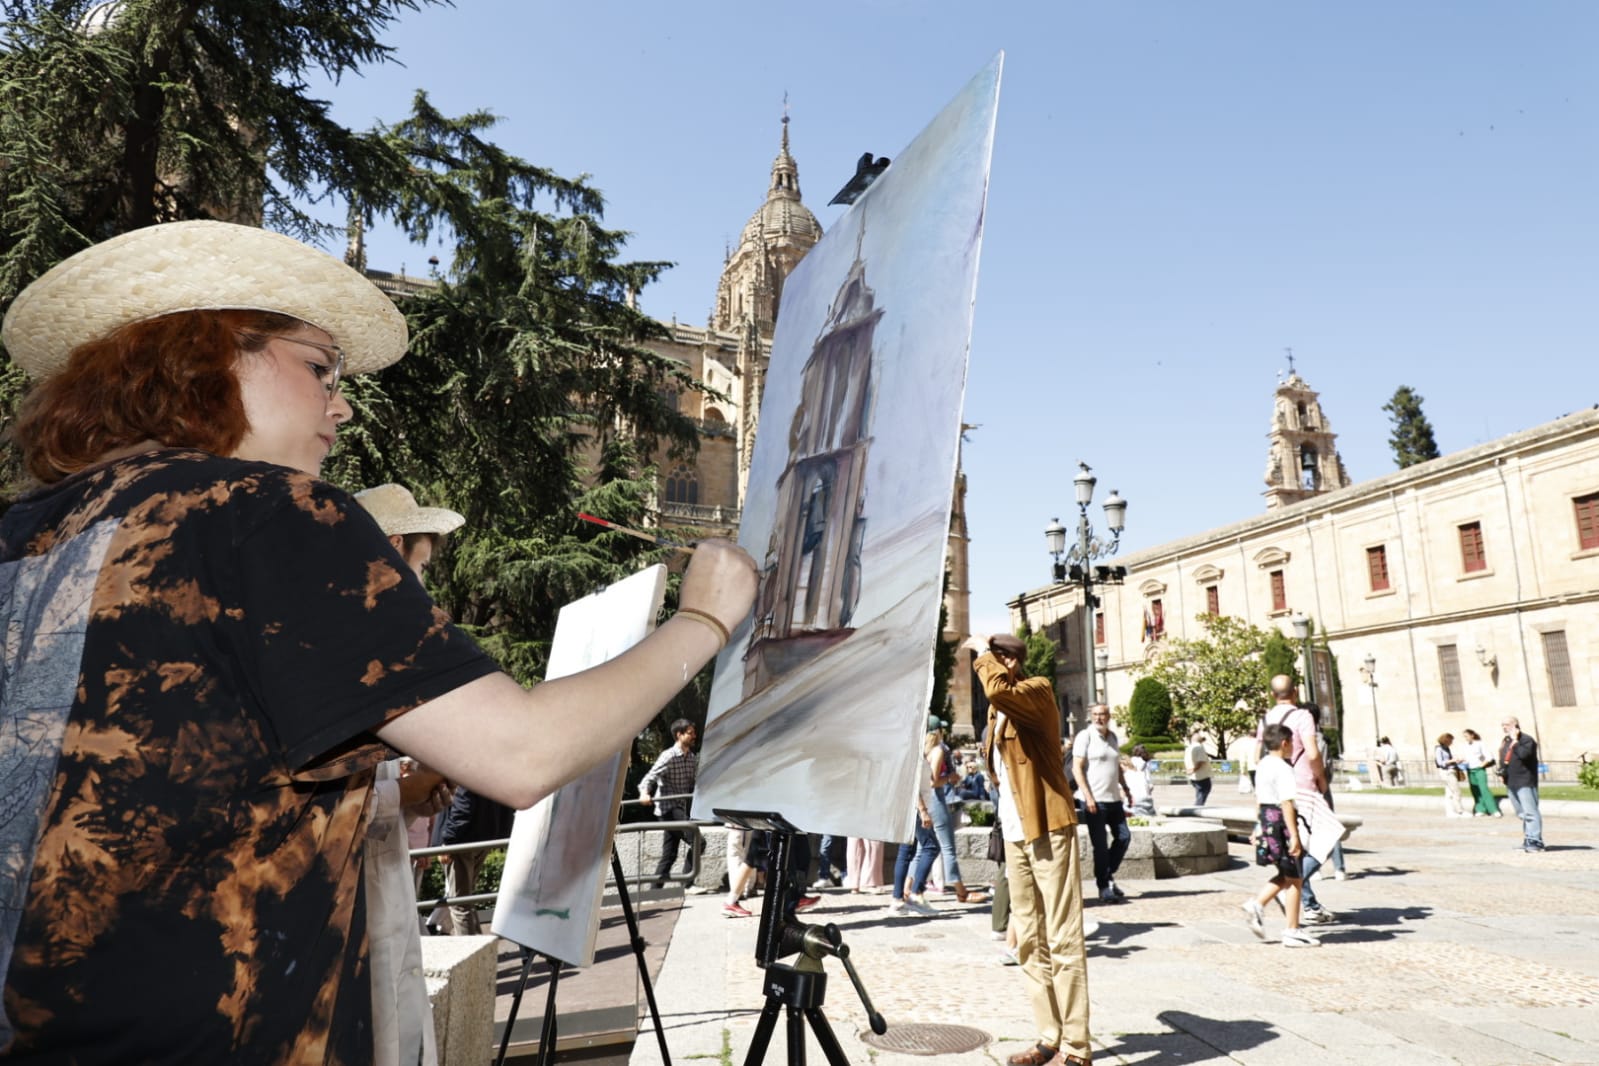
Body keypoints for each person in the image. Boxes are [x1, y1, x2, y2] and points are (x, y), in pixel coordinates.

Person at [0, 220, 757, 1062]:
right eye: (318, 367)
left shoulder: (31, 531)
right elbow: (521, 753)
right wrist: (703, 619)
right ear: (205, 357)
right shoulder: (264, 510)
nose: (342, 403)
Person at [354, 483, 465, 1065]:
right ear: (394, 548)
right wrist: (402, 794)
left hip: (384, 899)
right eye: (420, 568)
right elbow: (303, 807)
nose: (423, 586)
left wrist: (411, 796)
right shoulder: (338, 652)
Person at [970, 633, 1091, 1066]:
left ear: (1009, 661)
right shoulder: (997, 711)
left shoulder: (1036, 691)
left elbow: (996, 690)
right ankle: (1049, 1037)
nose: (986, 663)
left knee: (1062, 936)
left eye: (994, 657)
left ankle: (1077, 1048)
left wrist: (982, 657)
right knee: (1028, 940)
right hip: (1015, 832)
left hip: (1048, 825)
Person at [1255, 676, 1336, 925]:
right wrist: (1321, 780)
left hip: (1274, 792)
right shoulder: (1303, 716)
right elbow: (1312, 753)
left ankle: (1302, 902)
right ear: (1296, 692)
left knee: (1296, 851)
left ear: (1272, 694)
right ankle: (1283, 889)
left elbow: (1257, 757)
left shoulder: (1265, 719)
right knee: (1327, 840)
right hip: (1304, 788)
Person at [1241, 723, 1320, 948]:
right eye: (1292, 743)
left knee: (1287, 874)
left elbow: (1259, 799)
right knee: (1295, 877)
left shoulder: (1263, 765)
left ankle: (1259, 906)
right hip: (1280, 822)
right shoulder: (1283, 768)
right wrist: (1294, 835)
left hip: (1267, 819)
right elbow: (1286, 802)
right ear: (1285, 743)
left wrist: (1258, 827)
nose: (1294, 746)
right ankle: (1291, 929)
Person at [1071, 704, 1134, 905]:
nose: (1099, 718)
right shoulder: (1085, 736)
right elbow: (1077, 768)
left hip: (1114, 798)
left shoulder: (1113, 737)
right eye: (1095, 714)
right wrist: (1088, 796)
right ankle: (1104, 886)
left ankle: (1106, 874)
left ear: (1109, 716)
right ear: (1091, 716)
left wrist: (1125, 787)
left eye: (1102, 714)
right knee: (1100, 845)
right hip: (1094, 800)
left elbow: (1117, 766)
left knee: (1124, 837)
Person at [925, 728, 989, 903]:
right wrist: (950, 778)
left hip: (925, 801)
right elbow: (933, 781)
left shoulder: (922, 750)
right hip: (938, 800)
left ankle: (907, 891)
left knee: (922, 849)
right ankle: (961, 891)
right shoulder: (938, 750)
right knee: (947, 848)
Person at [639, 717, 700, 889]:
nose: (694, 736)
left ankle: (653, 892)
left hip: (679, 808)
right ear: (679, 735)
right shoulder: (669, 756)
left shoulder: (691, 758)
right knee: (698, 841)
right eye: (690, 733)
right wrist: (644, 793)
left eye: (693, 733)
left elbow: (692, 783)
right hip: (668, 809)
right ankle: (686, 885)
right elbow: (650, 777)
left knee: (670, 854)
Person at [1499, 717, 1544, 851]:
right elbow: (1504, 758)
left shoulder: (1526, 740)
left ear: (1515, 725)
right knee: (1521, 813)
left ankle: (1536, 841)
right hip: (1511, 781)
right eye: (1503, 725)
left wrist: (1516, 742)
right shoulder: (1506, 741)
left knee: (1530, 812)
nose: (1504, 727)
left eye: (1507, 724)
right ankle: (1529, 838)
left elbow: (1525, 755)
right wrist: (1502, 773)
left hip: (1525, 780)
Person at [1458, 728, 1501, 817]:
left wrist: (1482, 764)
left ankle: (1493, 810)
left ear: (1472, 735)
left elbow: (1488, 756)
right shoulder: (1465, 746)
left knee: (1484, 789)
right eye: (1464, 737)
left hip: (1479, 770)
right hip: (1470, 770)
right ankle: (1480, 809)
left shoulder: (1479, 744)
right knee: (1475, 790)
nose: (1465, 738)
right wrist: (1461, 760)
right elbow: (1467, 757)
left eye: (1466, 736)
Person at [1434, 732, 1470, 818]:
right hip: (1447, 772)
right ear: (1446, 740)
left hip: (1451, 770)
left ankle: (1450, 811)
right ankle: (1460, 811)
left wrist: (1456, 761)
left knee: (1449, 793)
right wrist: (1453, 760)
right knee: (1456, 791)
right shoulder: (1439, 749)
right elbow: (1440, 763)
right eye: (1451, 741)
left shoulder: (1446, 748)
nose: (1452, 743)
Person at [1183, 728, 1214, 805]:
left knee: (1199, 793)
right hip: (1201, 775)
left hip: (1193, 776)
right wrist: (1194, 770)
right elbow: (1201, 761)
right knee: (1203, 792)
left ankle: (1198, 806)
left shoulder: (1188, 748)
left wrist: (1189, 770)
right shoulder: (1199, 748)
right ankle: (1197, 807)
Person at [1126, 744, 1156, 817]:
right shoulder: (1144, 764)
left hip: (1131, 789)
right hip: (1143, 789)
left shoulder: (1129, 762)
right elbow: (1148, 778)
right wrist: (1150, 786)